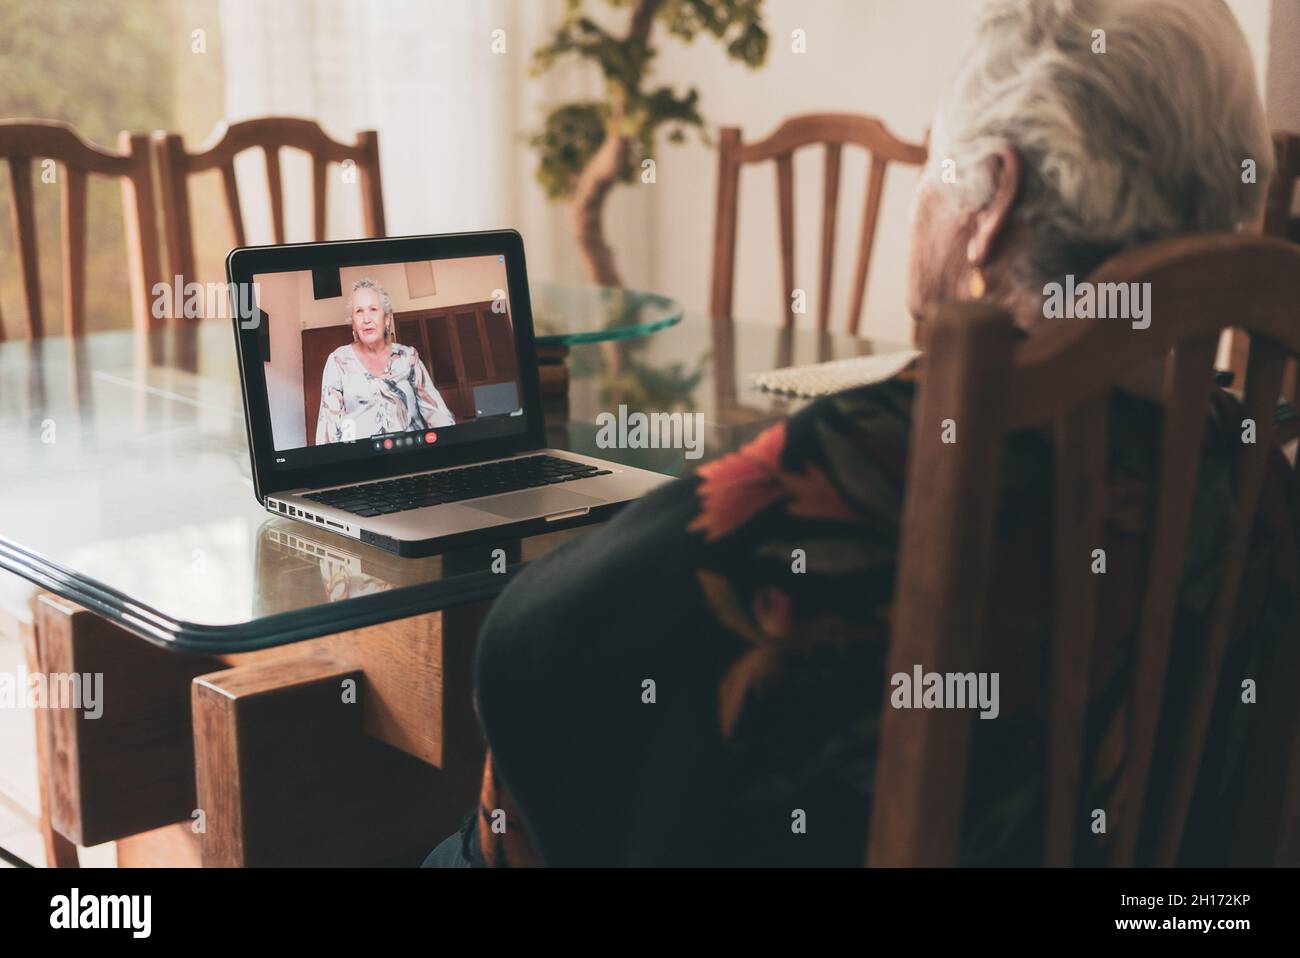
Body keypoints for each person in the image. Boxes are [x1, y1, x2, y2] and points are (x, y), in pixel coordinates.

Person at [427, 0, 1296, 867]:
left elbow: (532, 647)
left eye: (930, 156)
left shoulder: (873, 468)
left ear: (992, 200)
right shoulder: (1254, 473)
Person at [316, 278, 454, 444]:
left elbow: (438, 414)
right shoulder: (338, 361)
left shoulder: (407, 357)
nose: (366, 319)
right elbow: (328, 430)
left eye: (373, 309)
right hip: (362, 462)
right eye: (359, 311)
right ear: (353, 324)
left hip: (412, 454)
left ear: (387, 319)